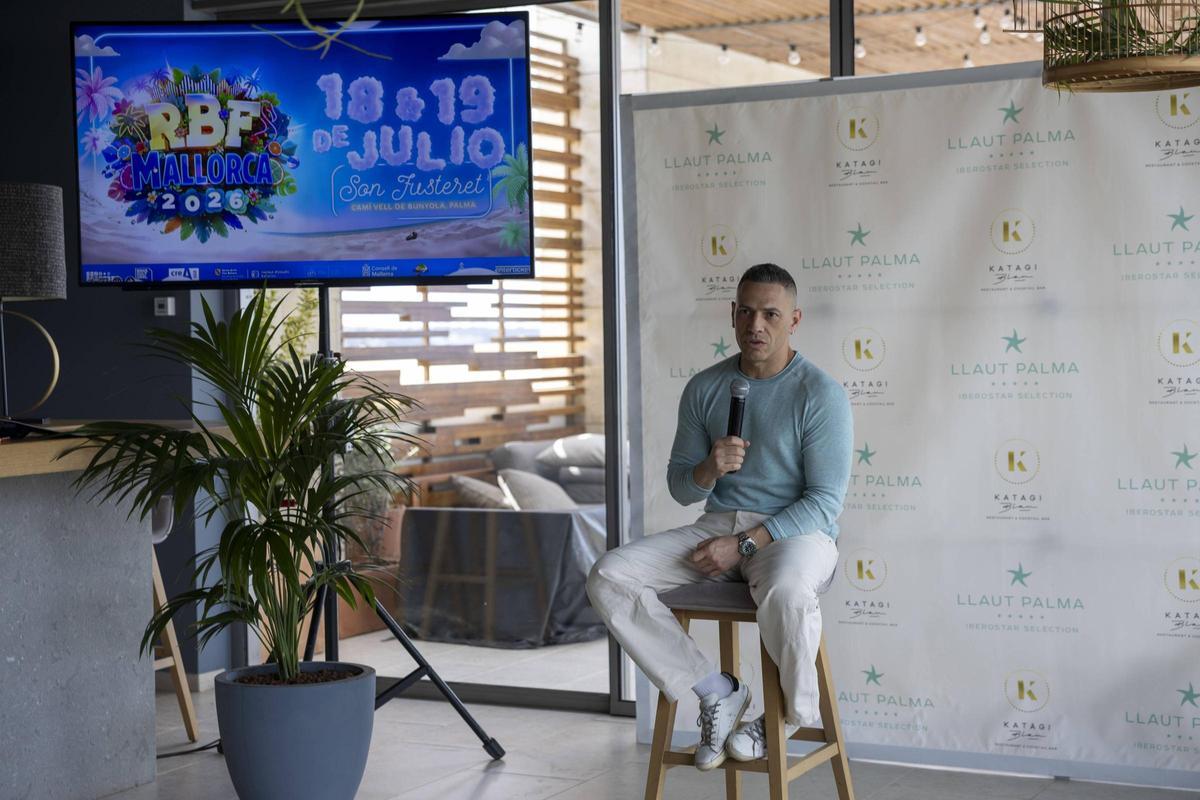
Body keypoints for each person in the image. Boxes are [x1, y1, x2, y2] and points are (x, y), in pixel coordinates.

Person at [587, 262, 853, 770]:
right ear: (732, 315)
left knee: (787, 591)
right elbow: (680, 486)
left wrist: (746, 543)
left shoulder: (820, 394)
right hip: (718, 523)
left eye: (771, 314)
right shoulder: (707, 387)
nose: (757, 325)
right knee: (610, 576)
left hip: (796, 532)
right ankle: (716, 689)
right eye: (747, 312)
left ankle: (788, 719)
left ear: (794, 320)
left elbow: (824, 501)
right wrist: (709, 468)